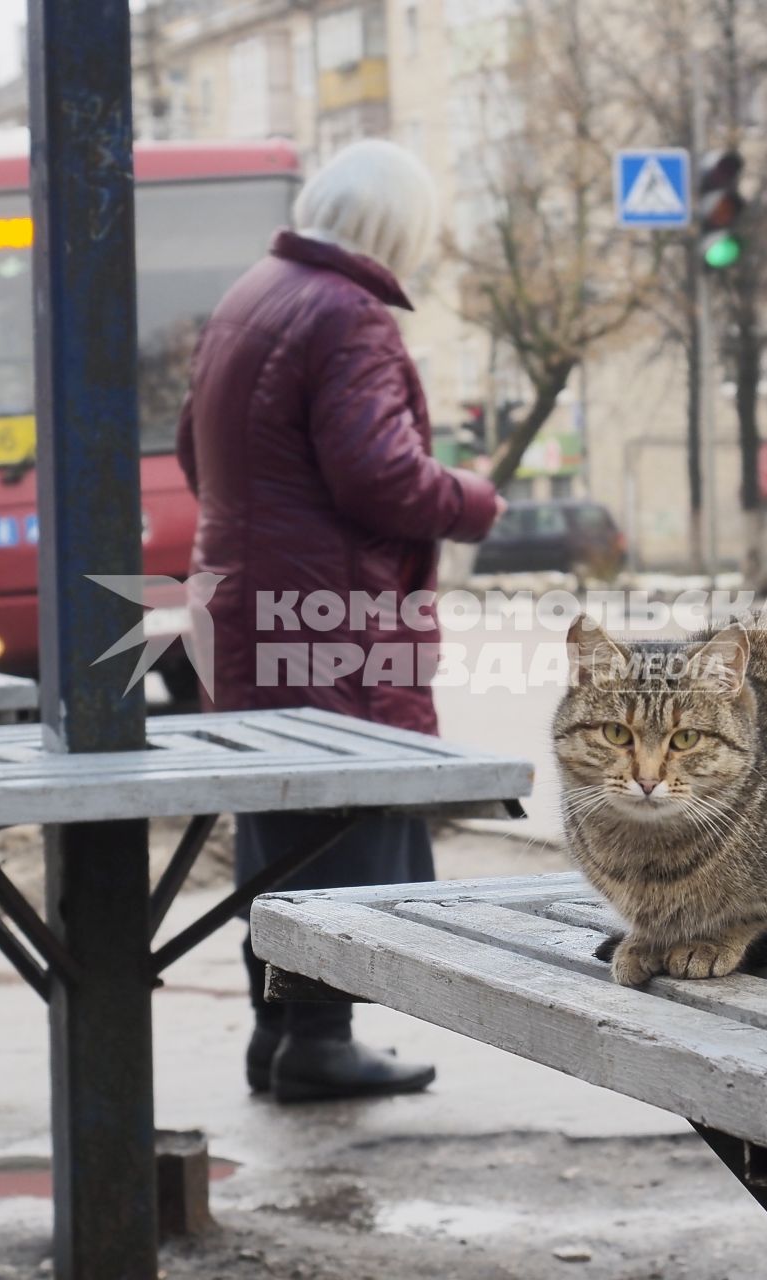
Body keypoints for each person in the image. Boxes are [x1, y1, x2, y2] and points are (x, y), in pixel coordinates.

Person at [175, 139, 505, 1103]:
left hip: (244, 614)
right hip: (334, 625)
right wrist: (474, 500)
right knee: (341, 833)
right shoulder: (347, 315)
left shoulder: (253, 295)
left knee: (279, 827)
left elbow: (198, 456)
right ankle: (318, 1040)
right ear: (395, 229)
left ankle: (275, 1036)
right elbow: (383, 478)